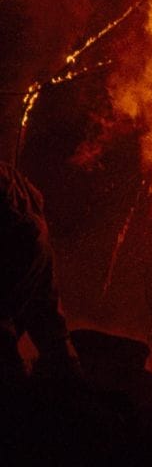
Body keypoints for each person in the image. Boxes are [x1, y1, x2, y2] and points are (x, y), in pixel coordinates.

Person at [1, 161, 76, 383]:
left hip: (13, 240)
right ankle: (73, 383)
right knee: (51, 330)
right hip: (34, 238)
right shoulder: (11, 176)